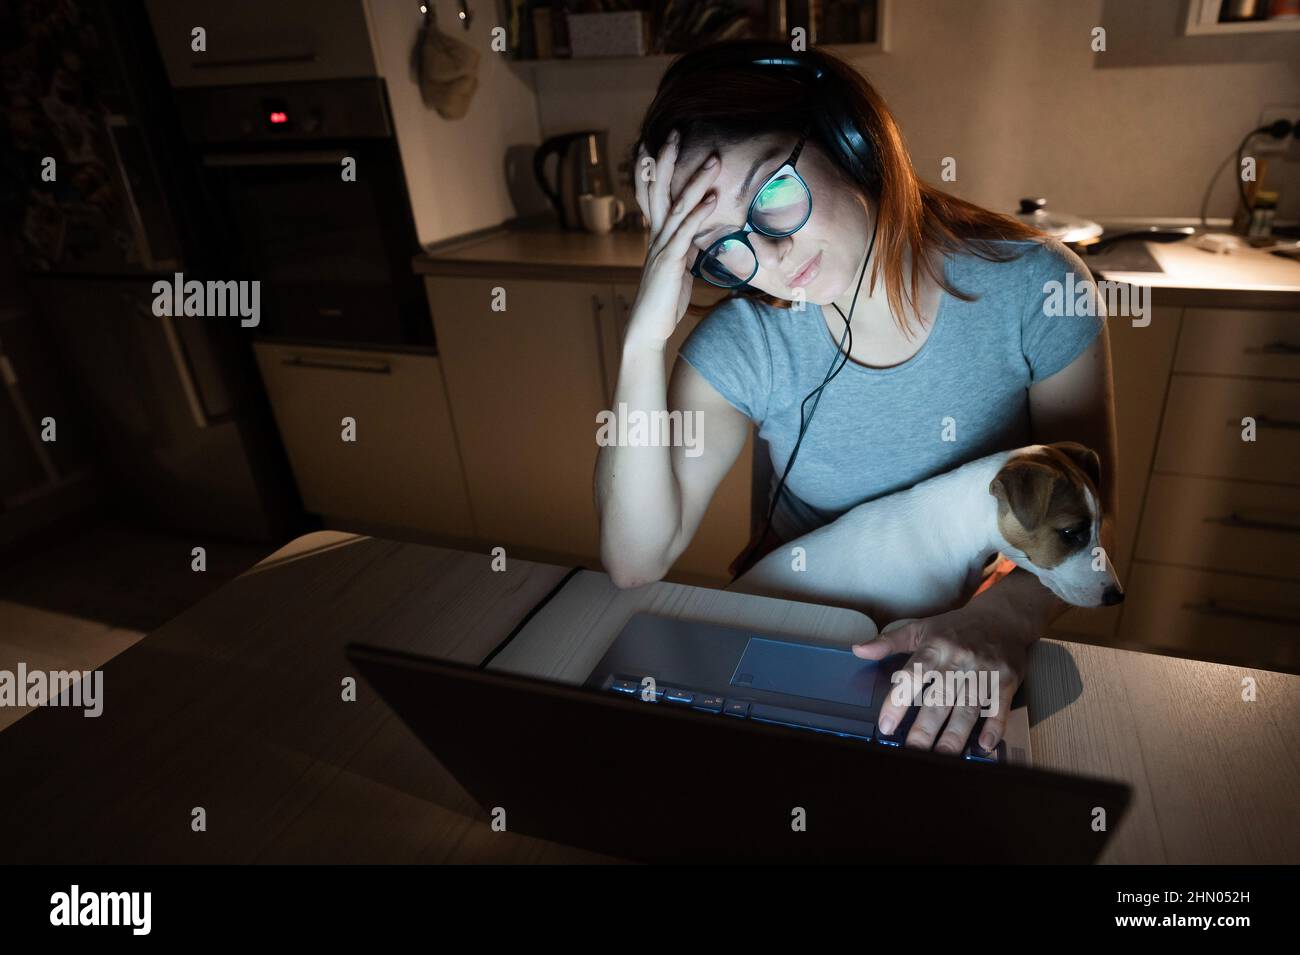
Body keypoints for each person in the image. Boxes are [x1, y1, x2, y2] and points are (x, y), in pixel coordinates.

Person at [593, 41, 1117, 756]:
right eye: (722, 245)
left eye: (771, 195)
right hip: (801, 649)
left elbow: (1090, 513)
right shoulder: (745, 341)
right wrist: (642, 342)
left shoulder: (1035, 289)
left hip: (969, 660)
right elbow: (634, 558)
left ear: (849, 138)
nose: (769, 260)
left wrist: (1004, 620)